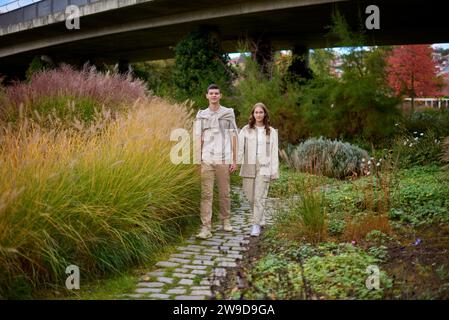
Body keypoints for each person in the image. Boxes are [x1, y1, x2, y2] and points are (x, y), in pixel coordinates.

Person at [194, 84, 238, 239]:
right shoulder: (201, 115)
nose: (213, 95)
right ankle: (206, 227)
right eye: (211, 93)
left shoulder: (228, 113)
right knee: (206, 194)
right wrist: (197, 160)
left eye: (216, 93)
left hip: (223, 158)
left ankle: (225, 220)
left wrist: (234, 159)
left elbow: (234, 136)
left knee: (224, 193)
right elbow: (197, 138)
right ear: (206, 96)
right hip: (207, 159)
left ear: (220, 95)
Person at [238, 102, 279, 237]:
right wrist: (235, 163)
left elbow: (273, 152)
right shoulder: (245, 130)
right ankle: (261, 219)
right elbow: (239, 148)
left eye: (261, 112)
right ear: (253, 114)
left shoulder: (271, 132)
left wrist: (274, 171)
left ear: (265, 114)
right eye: (256, 112)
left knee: (259, 197)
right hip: (248, 165)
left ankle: (256, 225)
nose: (259, 115)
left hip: (264, 167)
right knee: (250, 197)